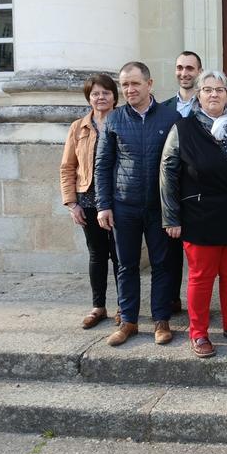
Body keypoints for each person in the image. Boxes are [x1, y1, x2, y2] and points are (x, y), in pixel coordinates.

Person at [161, 70, 227, 358]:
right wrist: (171, 217)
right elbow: (167, 172)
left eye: (220, 89)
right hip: (199, 214)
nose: (214, 94)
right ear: (198, 95)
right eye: (207, 89)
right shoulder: (183, 128)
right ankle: (199, 332)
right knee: (201, 278)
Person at [95, 61, 181, 347]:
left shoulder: (170, 118)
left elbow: (178, 166)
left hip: (158, 207)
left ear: (149, 84)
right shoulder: (115, 119)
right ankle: (129, 320)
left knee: (162, 264)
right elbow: (103, 164)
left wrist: (175, 208)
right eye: (125, 85)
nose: (130, 89)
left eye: (135, 83)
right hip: (124, 206)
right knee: (126, 265)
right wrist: (103, 205)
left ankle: (161, 320)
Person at [60, 73, 120, 329]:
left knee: (120, 256)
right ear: (89, 98)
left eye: (105, 92)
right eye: (95, 93)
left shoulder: (122, 121)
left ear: (114, 96)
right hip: (88, 199)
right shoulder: (78, 127)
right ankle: (98, 306)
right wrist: (72, 202)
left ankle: (124, 307)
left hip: (118, 199)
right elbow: (67, 167)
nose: (100, 97)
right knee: (97, 254)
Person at [162, 50, 203, 313]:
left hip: (200, 189)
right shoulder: (164, 109)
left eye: (190, 68)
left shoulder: (210, 103)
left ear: (199, 71)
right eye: (180, 68)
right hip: (173, 187)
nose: (184, 73)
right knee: (170, 249)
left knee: (200, 253)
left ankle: (198, 302)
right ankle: (172, 298)